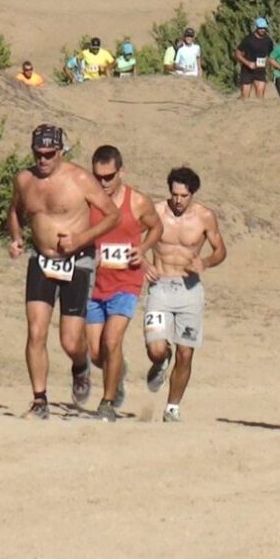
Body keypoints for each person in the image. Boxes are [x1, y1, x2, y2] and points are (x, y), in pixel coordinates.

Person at [7, 124, 122, 419]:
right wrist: (17, 237)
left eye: (49, 154)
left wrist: (81, 239)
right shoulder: (24, 179)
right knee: (35, 331)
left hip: (78, 260)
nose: (43, 159)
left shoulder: (79, 178)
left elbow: (112, 215)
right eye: (38, 154)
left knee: (70, 340)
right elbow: (14, 211)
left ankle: (80, 365)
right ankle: (40, 400)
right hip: (42, 261)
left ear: (61, 151)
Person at [83, 146, 164, 421]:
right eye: (98, 177)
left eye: (108, 177)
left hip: (126, 283)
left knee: (112, 339)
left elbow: (157, 227)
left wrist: (142, 250)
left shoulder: (137, 202)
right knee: (96, 353)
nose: (103, 183)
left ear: (121, 172)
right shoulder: (89, 201)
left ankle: (107, 403)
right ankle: (117, 374)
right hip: (95, 284)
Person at [142, 167, 227, 423]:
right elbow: (133, 239)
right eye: (175, 194)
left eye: (184, 195)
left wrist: (206, 262)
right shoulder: (155, 212)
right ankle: (161, 359)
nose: (178, 200)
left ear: (192, 194)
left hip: (189, 291)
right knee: (156, 349)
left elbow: (220, 249)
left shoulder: (204, 217)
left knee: (186, 353)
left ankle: (172, 407)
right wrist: (144, 263)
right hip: (160, 288)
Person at [234, 18, 275, 99]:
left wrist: (268, 63)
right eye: (260, 28)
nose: (262, 30)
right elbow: (237, 53)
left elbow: (271, 55)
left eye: (264, 28)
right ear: (256, 27)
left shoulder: (268, 41)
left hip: (260, 71)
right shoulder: (248, 39)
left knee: (260, 98)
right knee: (245, 97)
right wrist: (248, 63)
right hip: (247, 71)